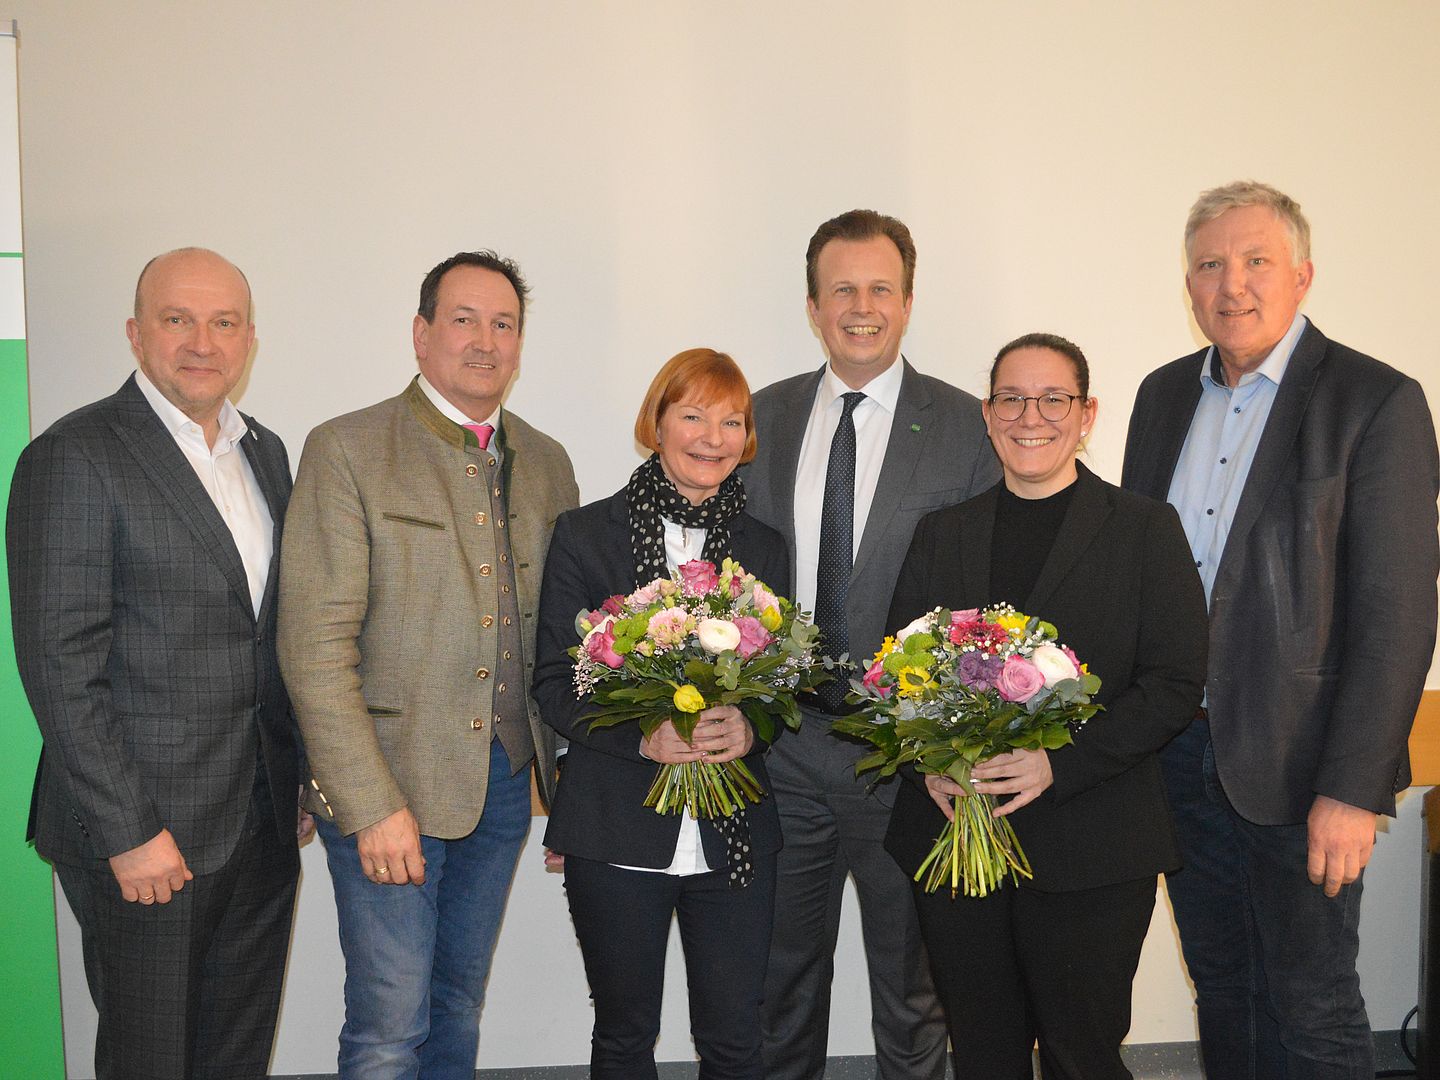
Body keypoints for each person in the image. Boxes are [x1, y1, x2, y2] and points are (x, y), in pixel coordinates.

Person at [1122, 181, 1440, 1078]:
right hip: (1180, 753)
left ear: (1302, 275)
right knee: (1223, 987)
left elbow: (1398, 616)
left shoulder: (1374, 401)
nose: (1232, 284)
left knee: (1313, 1002)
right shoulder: (1161, 397)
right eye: (1209, 265)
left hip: (1305, 767)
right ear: (1188, 284)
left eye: (1256, 260)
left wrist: (1352, 787)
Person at [278, 250, 578, 1078]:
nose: (485, 341)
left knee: (458, 1003)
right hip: (388, 786)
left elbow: (566, 640)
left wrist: (572, 789)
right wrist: (369, 804)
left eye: (504, 324)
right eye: (464, 320)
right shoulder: (347, 448)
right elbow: (313, 647)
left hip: (505, 786)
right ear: (421, 333)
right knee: (389, 1023)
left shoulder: (547, 460)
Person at [7, 247, 305, 1080]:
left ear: (249, 339)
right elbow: (60, 665)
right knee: (151, 1059)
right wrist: (129, 832)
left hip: (260, 816)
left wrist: (295, 776)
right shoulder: (75, 455)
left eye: (224, 322)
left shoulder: (266, 452)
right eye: (178, 319)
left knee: (235, 1053)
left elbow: (270, 634)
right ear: (137, 334)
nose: (202, 342)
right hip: (143, 832)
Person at [885, 332, 1208, 1079]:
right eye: (1010, 398)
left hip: (1095, 844)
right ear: (988, 414)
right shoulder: (942, 532)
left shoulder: (1145, 529)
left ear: (1087, 414)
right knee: (983, 1050)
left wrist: (1058, 763)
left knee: (1081, 1053)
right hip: (957, 836)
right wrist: (926, 764)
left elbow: (1174, 682)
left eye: (1053, 398)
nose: (1030, 417)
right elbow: (895, 672)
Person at [743, 208, 1000, 1080]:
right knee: (778, 983)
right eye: (842, 290)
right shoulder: (762, 418)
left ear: (909, 302)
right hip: (785, 750)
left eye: (880, 289)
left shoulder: (967, 426)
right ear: (814, 307)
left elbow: (990, 591)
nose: (862, 307)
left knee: (913, 987)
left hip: (908, 760)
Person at [533, 348, 787, 1080]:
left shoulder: (764, 545)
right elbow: (554, 681)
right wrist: (642, 739)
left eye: (732, 421)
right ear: (657, 422)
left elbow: (784, 683)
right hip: (614, 825)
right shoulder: (586, 534)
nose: (713, 437)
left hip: (736, 833)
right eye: (694, 416)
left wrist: (751, 726)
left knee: (736, 1037)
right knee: (624, 1034)